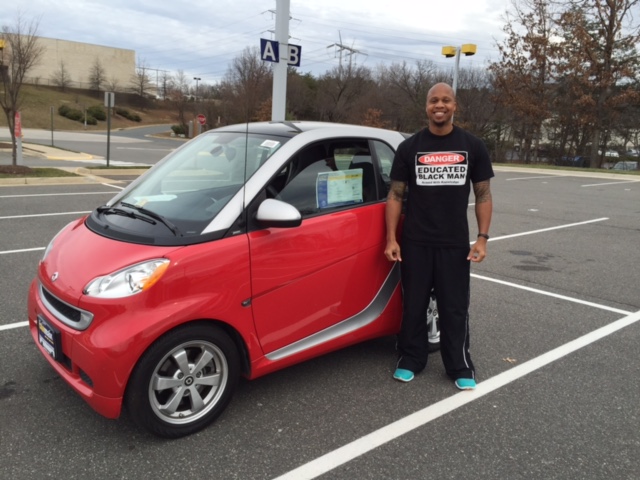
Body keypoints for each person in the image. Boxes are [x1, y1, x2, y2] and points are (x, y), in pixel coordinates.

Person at [384, 82, 493, 390]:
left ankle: (459, 364)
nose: (439, 105)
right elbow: (396, 194)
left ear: (454, 105)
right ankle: (410, 359)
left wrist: (482, 238)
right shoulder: (410, 147)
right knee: (414, 305)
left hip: (454, 244)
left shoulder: (473, 146)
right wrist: (391, 238)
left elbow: (483, 194)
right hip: (415, 242)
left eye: (446, 100)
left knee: (454, 307)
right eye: (434, 100)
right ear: (427, 106)